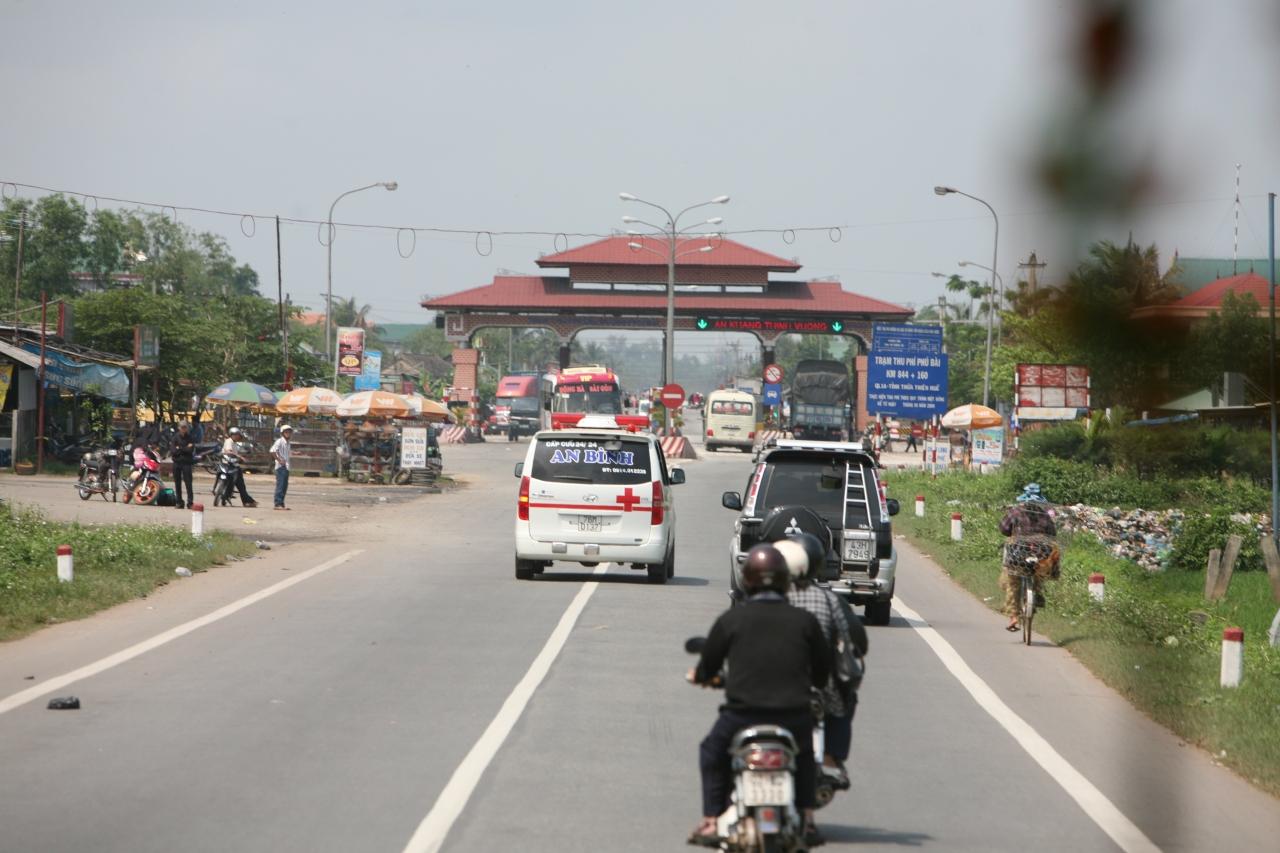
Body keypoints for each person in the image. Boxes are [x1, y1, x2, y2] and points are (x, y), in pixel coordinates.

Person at [688, 543, 830, 847]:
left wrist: (700, 676)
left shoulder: (732, 619)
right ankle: (807, 818)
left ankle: (711, 820)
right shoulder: (804, 621)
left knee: (712, 752)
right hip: (793, 715)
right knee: (805, 757)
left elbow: (708, 665)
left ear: (747, 580)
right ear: (784, 580)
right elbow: (822, 673)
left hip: (743, 716)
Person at [776, 533, 868, 792]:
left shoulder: (767, 596)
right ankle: (830, 758)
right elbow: (853, 638)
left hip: (768, 683)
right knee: (846, 699)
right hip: (819, 685)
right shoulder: (827, 599)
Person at [998, 483, 1060, 631]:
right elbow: (1052, 533)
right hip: (1040, 555)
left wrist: (1014, 533)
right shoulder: (1044, 515)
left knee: (1013, 582)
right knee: (1039, 573)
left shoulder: (1016, 512)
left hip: (1018, 555)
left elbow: (1004, 528)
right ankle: (1037, 594)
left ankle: (1014, 616)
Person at [221, 427, 258, 508]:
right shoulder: (229, 441)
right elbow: (229, 451)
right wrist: (240, 457)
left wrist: (240, 457)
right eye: (237, 435)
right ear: (233, 435)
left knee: (240, 485)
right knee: (239, 485)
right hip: (228, 465)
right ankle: (247, 500)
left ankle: (247, 500)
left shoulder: (234, 443)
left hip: (234, 465)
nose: (238, 437)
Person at [171, 421, 196, 510]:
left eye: (185, 427)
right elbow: (173, 451)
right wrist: (184, 448)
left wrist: (180, 448)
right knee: (177, 483)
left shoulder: (190, 438)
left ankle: (190, 502)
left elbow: (190, 450)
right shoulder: (175, 438)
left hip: (186, 463)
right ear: (179, 428)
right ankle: (179, 502)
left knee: (188, 483)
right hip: (177, 463)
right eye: (182, 427)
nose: (183, 429)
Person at [271, 424, 293, 510]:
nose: (288, 433)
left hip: (286, 466)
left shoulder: (288, 443)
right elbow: (272, 451)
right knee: (280, 485)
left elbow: (285, 453)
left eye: (289, 432)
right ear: (282, 433)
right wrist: (279, 460)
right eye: (286, 432)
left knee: (284, 486)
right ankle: (278, 503)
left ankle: (281, 503)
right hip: (280, 467)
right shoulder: (279, 441)